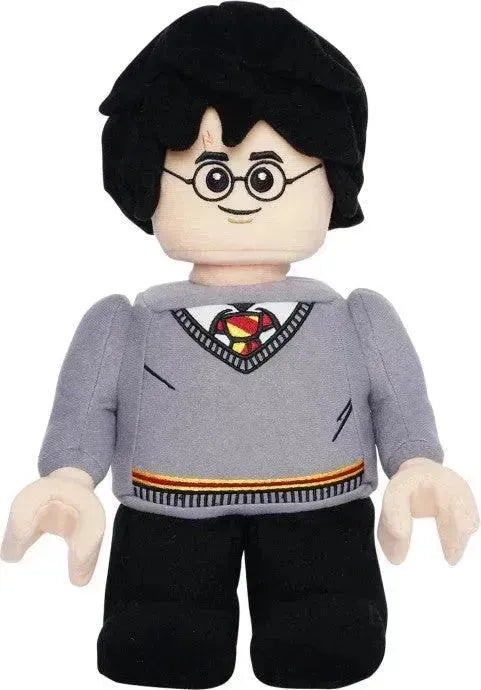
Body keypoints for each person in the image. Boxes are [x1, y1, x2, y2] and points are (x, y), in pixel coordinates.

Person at [2, 3, 478, 688]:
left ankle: (317, 619)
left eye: (266, 176)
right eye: (212, 176)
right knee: (163, 636)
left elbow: (397, 400)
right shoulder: (126, 323)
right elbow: (86, 411)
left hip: (321, 509)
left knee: (327, 633)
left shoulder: (355, 317)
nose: (240, 200)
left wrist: (418, 465)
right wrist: (69, 479)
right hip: (169, 512)